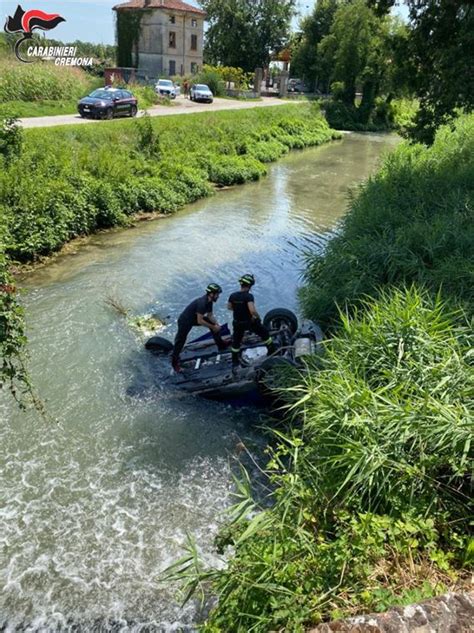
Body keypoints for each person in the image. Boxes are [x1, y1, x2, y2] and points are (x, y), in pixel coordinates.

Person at [171, 283, 227, 373]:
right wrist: (213, 327)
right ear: (211, 294)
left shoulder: (209, 302)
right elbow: (200, 321)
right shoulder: (202, 303)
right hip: (185, 321)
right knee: (180, 341)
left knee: (212, 324)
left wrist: (216, 324)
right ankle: (174, 362)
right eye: (217, 294)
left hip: (193, 319)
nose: (218, 296)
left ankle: (221, 344)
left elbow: (210, 315)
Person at [227, 274, 275, 369]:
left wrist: (238, 310)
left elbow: (229, 307)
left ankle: (235, 361)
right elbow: (252, 310)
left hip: (237, 323)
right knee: (264, 333)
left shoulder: (232, 295)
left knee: (236, 342)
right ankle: (272, 350)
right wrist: (257, 317)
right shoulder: (248, 296)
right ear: (250, 286)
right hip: (249, 322)